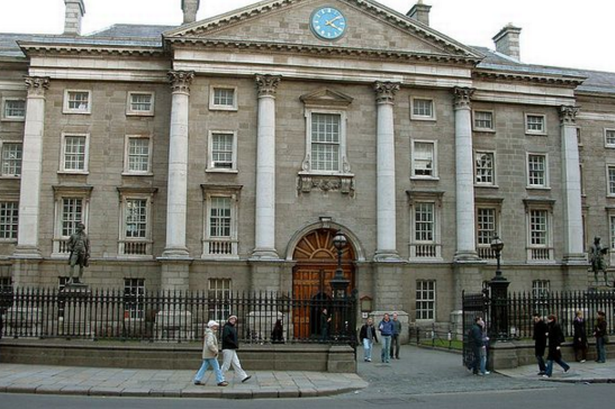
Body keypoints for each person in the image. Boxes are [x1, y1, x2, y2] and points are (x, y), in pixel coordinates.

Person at [193, 320, 228, 387]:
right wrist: (215, 350)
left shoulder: (209, 333)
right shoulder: (210, 334)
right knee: (217, 368)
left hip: (207, 354)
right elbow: (210, 344)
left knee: (204, 367)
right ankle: (220, 381)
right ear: (211, 326)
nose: (216, 327)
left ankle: (197, 379)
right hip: (210, 354)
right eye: (215, 326)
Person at [221, 315, 251, 383]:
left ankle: (243, 376)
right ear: (229, 319)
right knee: (226, 364)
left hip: (232, 348)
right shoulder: (227, 327)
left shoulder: (231, 327)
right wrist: (233, 343)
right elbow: (226, 337)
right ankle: (220, 377)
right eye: (232, 319)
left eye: (234, 319)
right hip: (227, 348)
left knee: (236, 363)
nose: (233, 320)